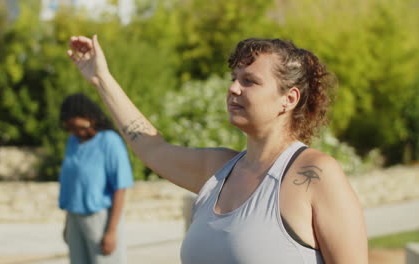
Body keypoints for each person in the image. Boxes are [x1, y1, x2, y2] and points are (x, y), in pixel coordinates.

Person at [67, 35, 368, 263]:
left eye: (249, 81)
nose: (234, 88)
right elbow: (151, 148)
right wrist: (100, 78)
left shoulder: (316, 175)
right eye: (234, 78)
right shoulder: (217, 169)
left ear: (288, 99)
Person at [58, 93, 134, 264]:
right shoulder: (73, 142)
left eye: (78, 127)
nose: (76, 132)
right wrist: (67, 224)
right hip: (74, 216)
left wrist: (111, 231)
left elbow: (120, 187)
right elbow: (73, 185)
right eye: (69, 128)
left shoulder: (110, 141)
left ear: (89, 117)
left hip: (100, 218)